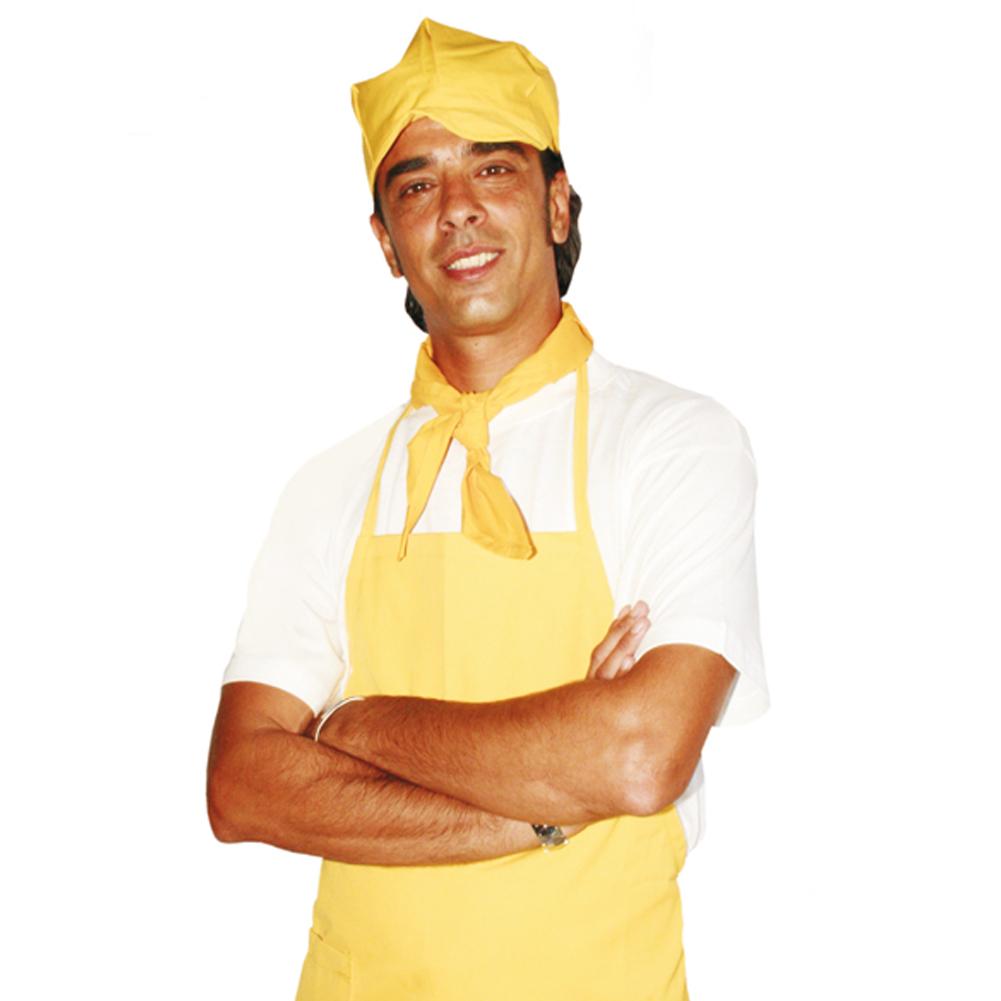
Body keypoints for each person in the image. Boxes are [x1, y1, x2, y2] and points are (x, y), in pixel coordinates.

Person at [207, 18, 768, 1001]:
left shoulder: (672, 442)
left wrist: (359, 724)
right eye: (416, 186)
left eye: (493, 169)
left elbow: (639, 753)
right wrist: (545, 809)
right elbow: (242, 787)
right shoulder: (331, 484)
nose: (457, 209)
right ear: (386, 243)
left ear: (555, 202)